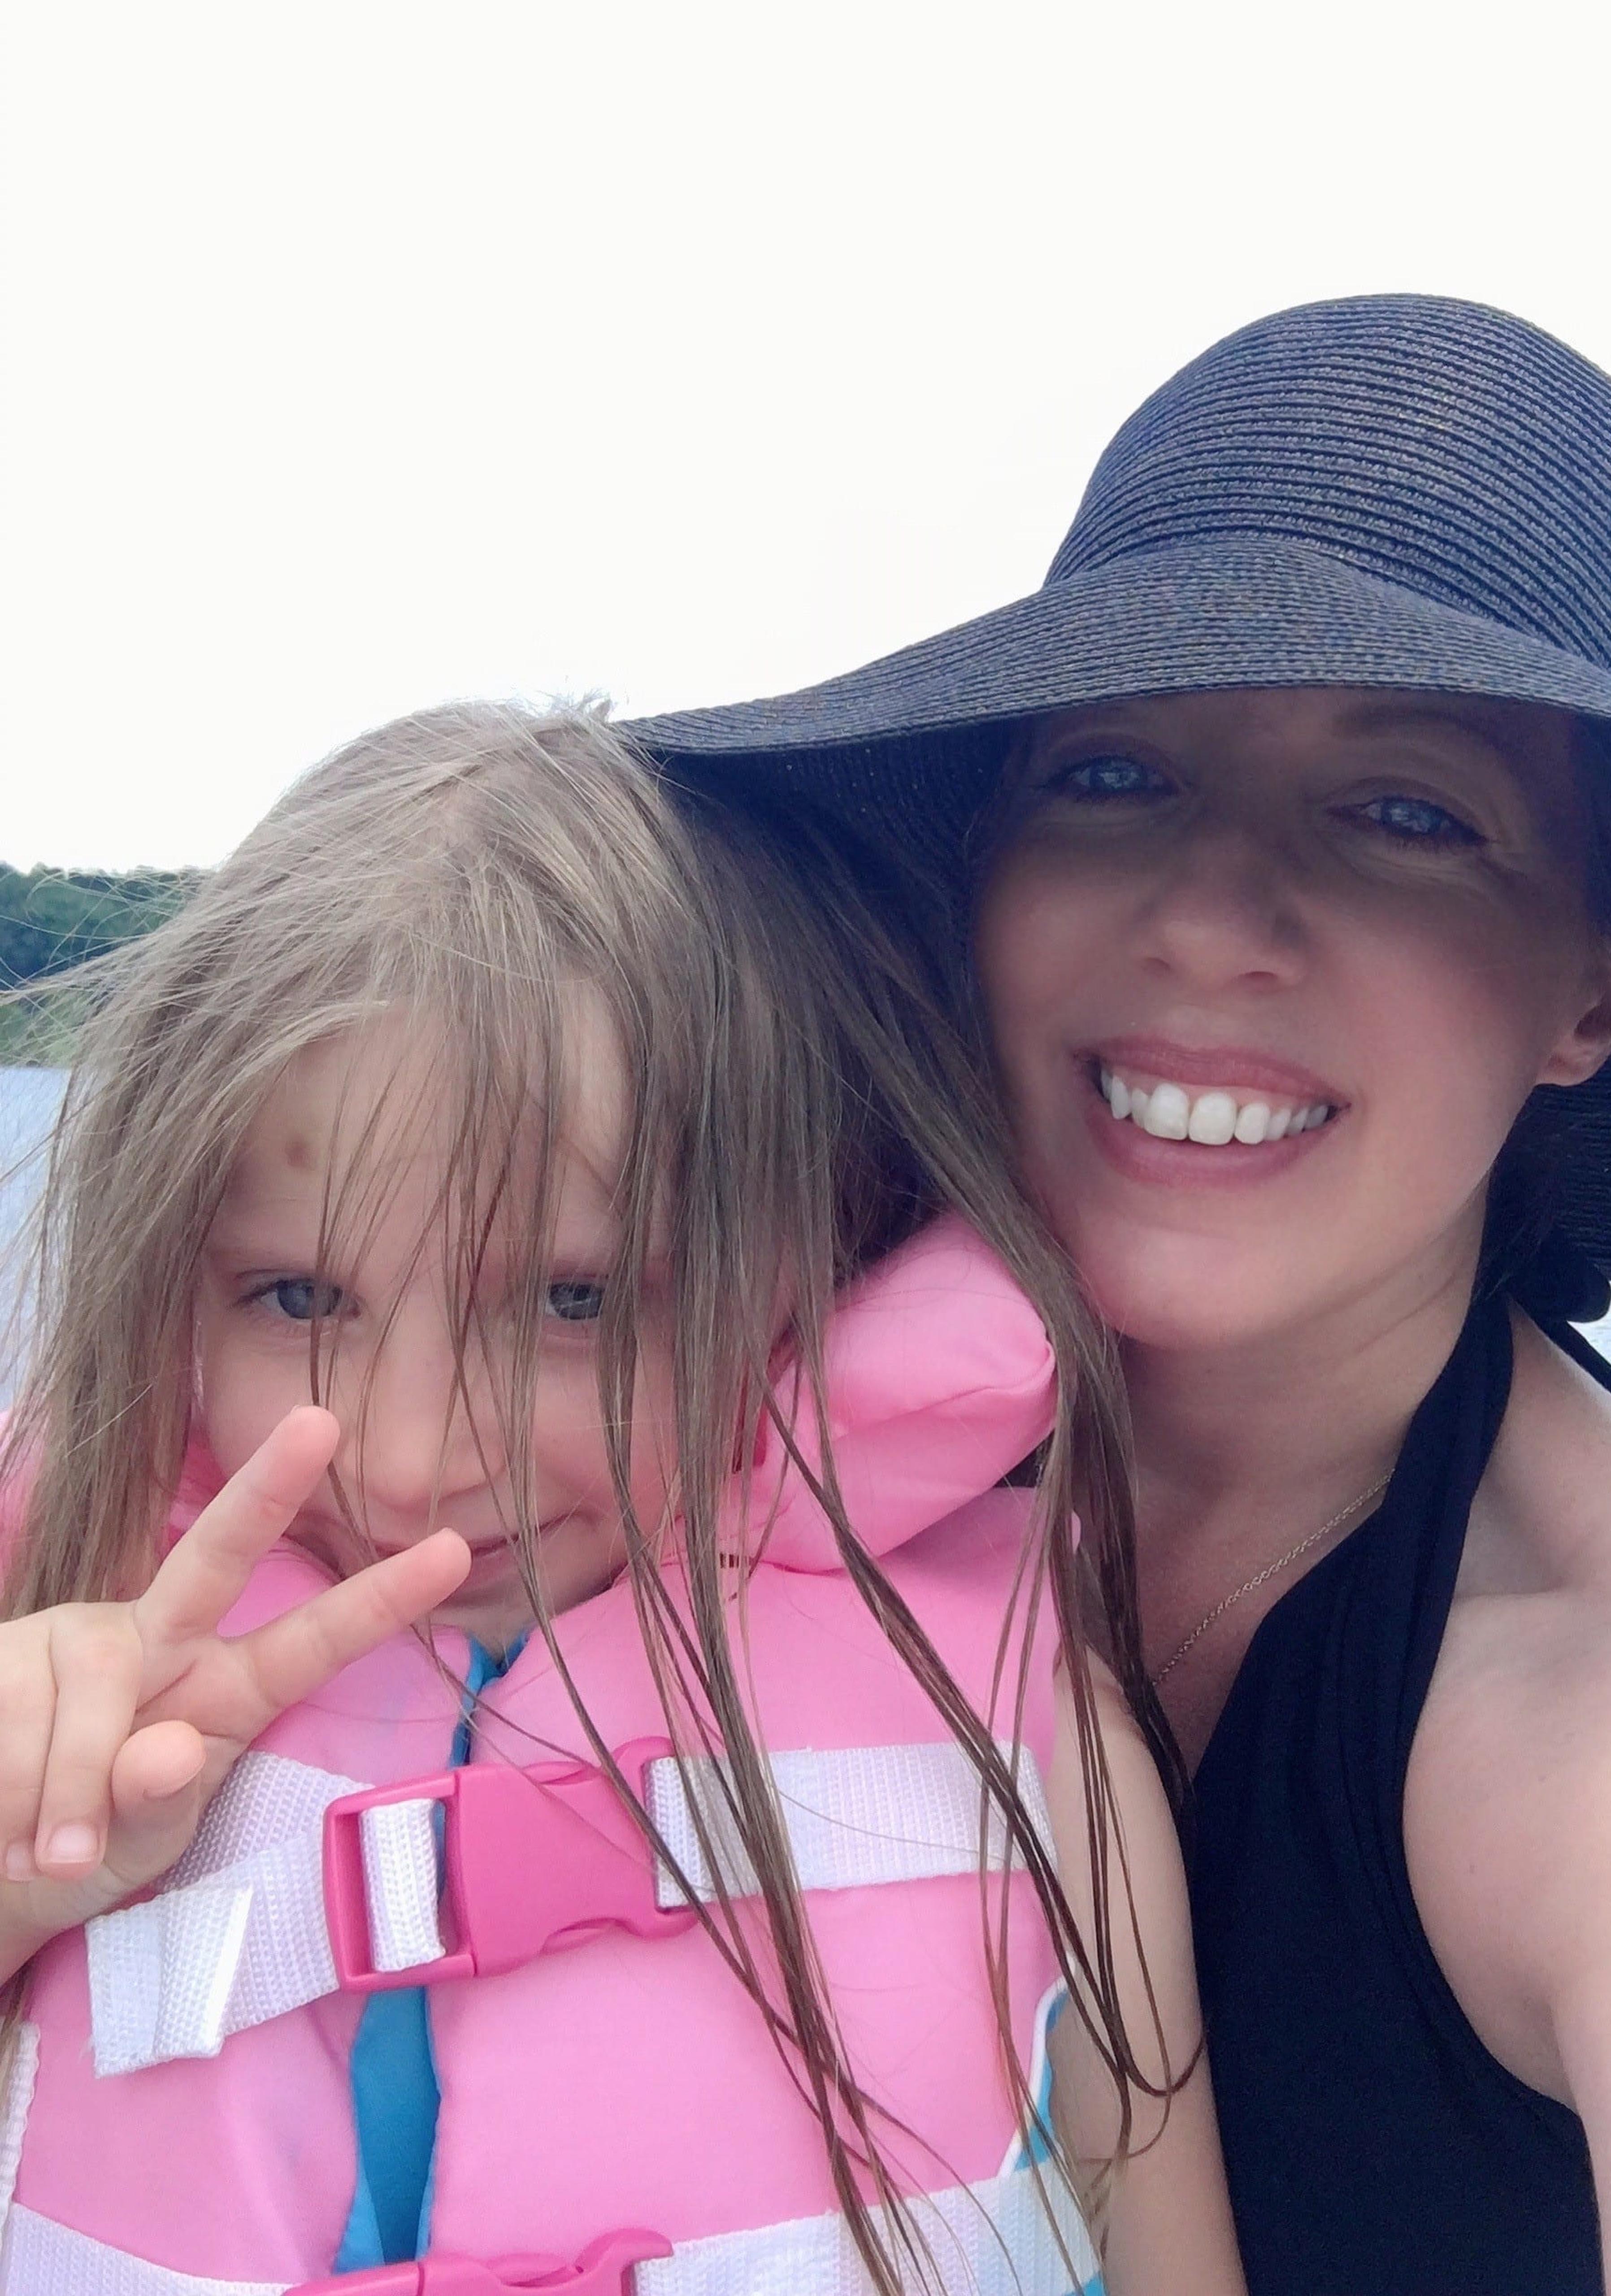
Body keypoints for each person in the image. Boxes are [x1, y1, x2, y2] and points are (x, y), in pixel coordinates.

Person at [633, 293, 1611, 2293]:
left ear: (1600, 985)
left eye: (1411, 813)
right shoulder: (689, 1416)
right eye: (1117, 774)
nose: (1212, 922)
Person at [0, 708, 1246, 2293]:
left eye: (576, 1304)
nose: (404, 1460)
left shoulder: (1033, 1743)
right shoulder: (54, 1669)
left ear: (813, 1260)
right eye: (299, 1294)